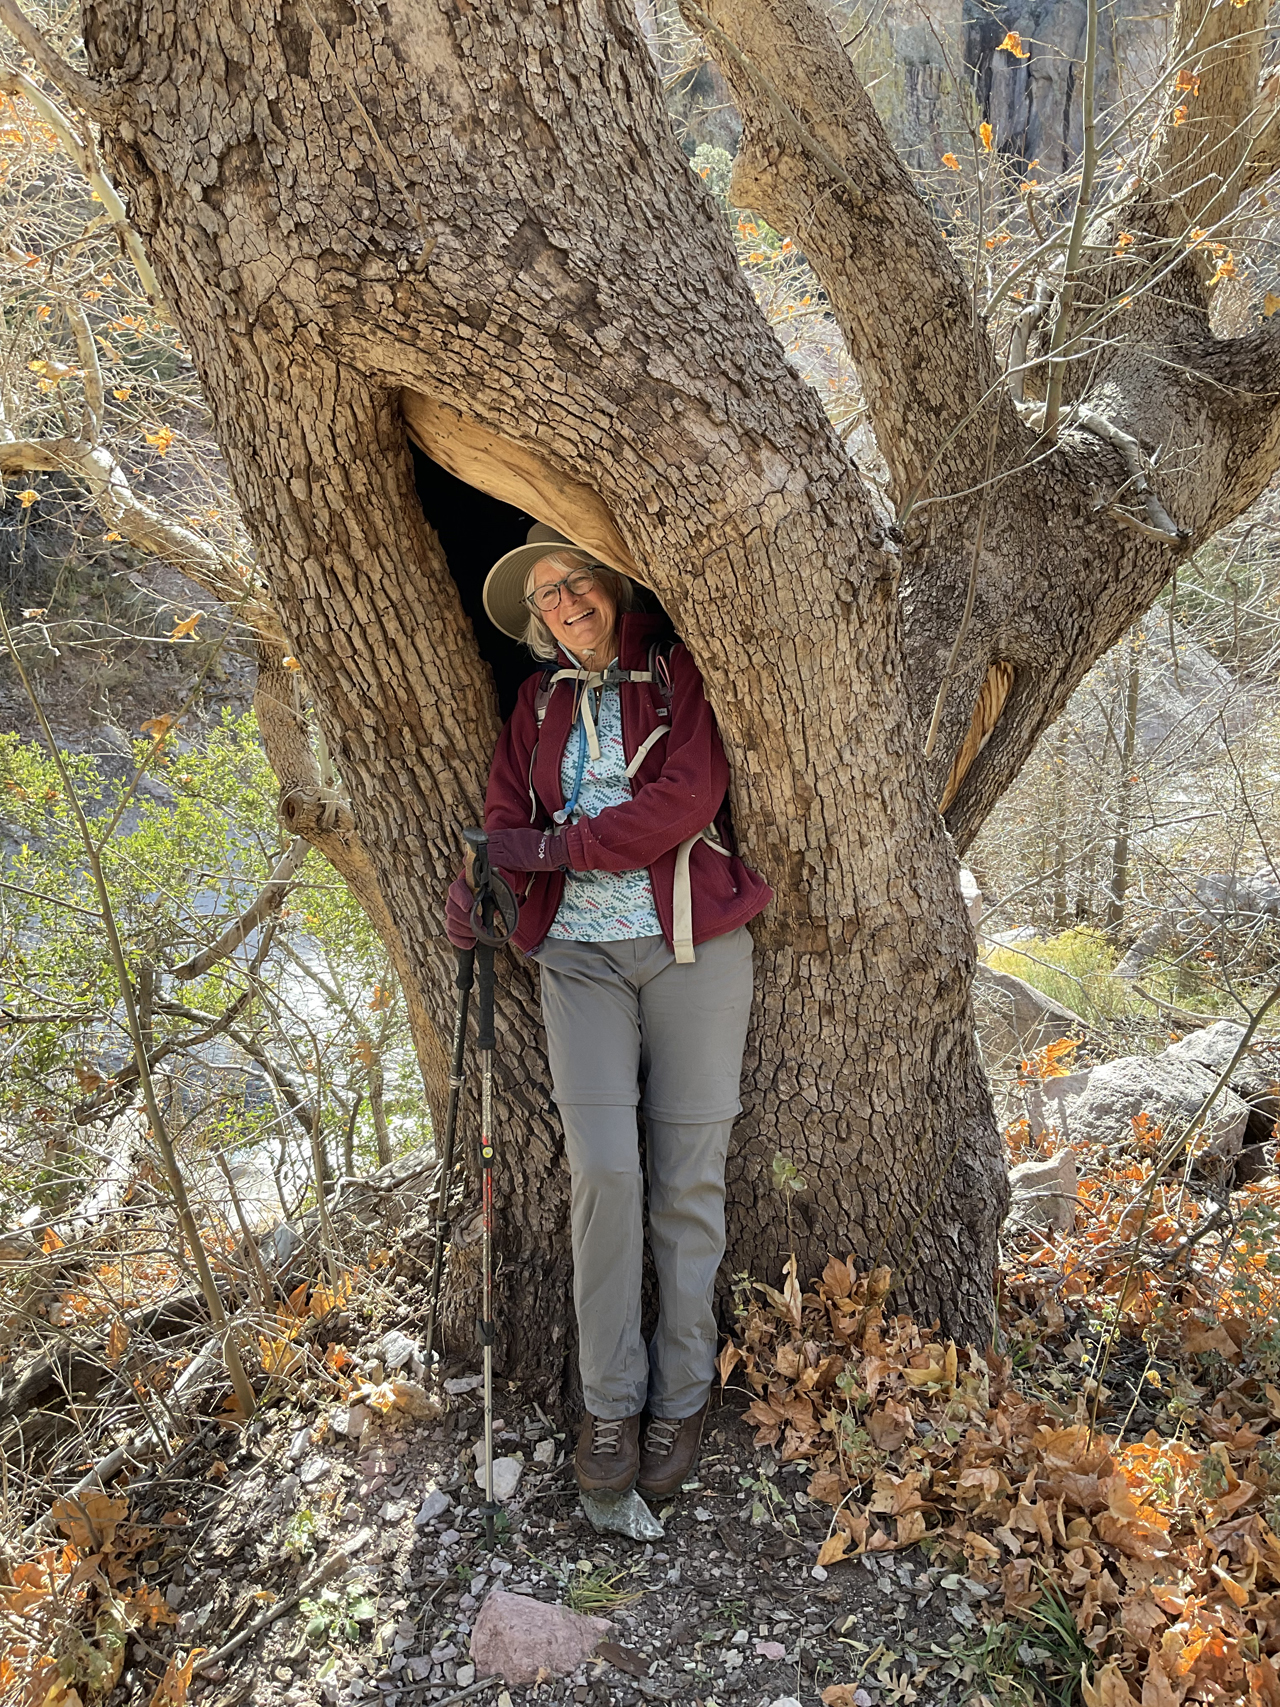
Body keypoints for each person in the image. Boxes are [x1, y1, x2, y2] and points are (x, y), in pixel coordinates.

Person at [446, 523, 772, 1499]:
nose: (565, 602)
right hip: (577, 963)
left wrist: (546, 855)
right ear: (535, 621)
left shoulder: (675, 674)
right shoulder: (534, 705)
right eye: (546, 594)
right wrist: (485, 891)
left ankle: (680, 1399)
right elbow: (508, 822)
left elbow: (683, 801)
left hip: (692, 951)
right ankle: (607, 1402)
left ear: (611, 587)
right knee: (602, 1175)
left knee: (687, 1182)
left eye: (577, 581)